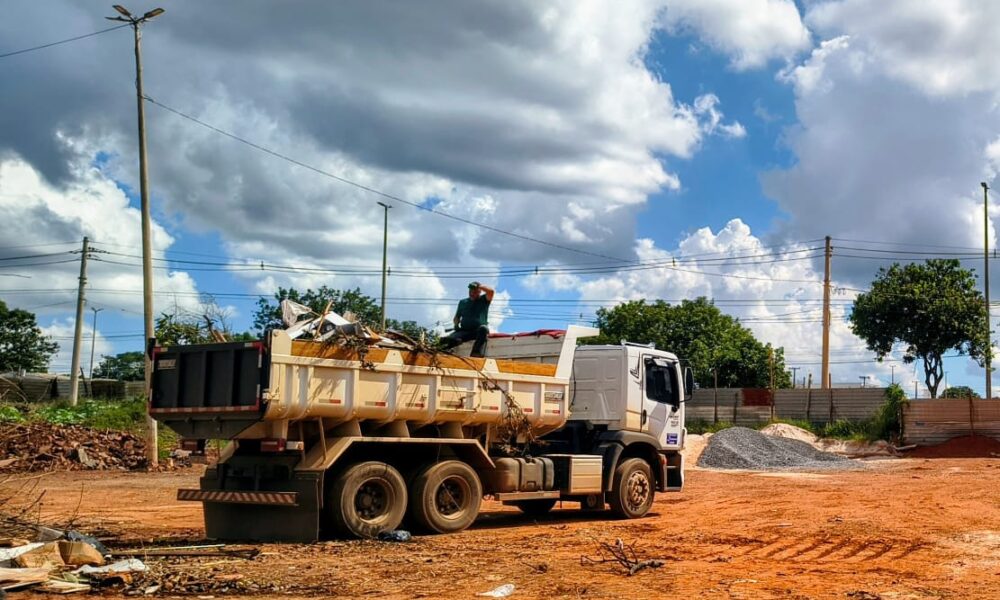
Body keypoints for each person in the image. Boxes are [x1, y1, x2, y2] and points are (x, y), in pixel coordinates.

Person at [440, 281, 494, 357]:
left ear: (479, 292)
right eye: (470, 291)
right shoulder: (463, 302)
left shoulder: (484, 299)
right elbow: (457, 317)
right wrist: (456, 325)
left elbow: (491, 291)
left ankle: (475, 352)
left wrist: (479, 286)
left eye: (474, 292)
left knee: (484, 329)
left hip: (478, 332)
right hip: (464, 331)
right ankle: (450, 346)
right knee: (446, 340)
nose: (472, 293)